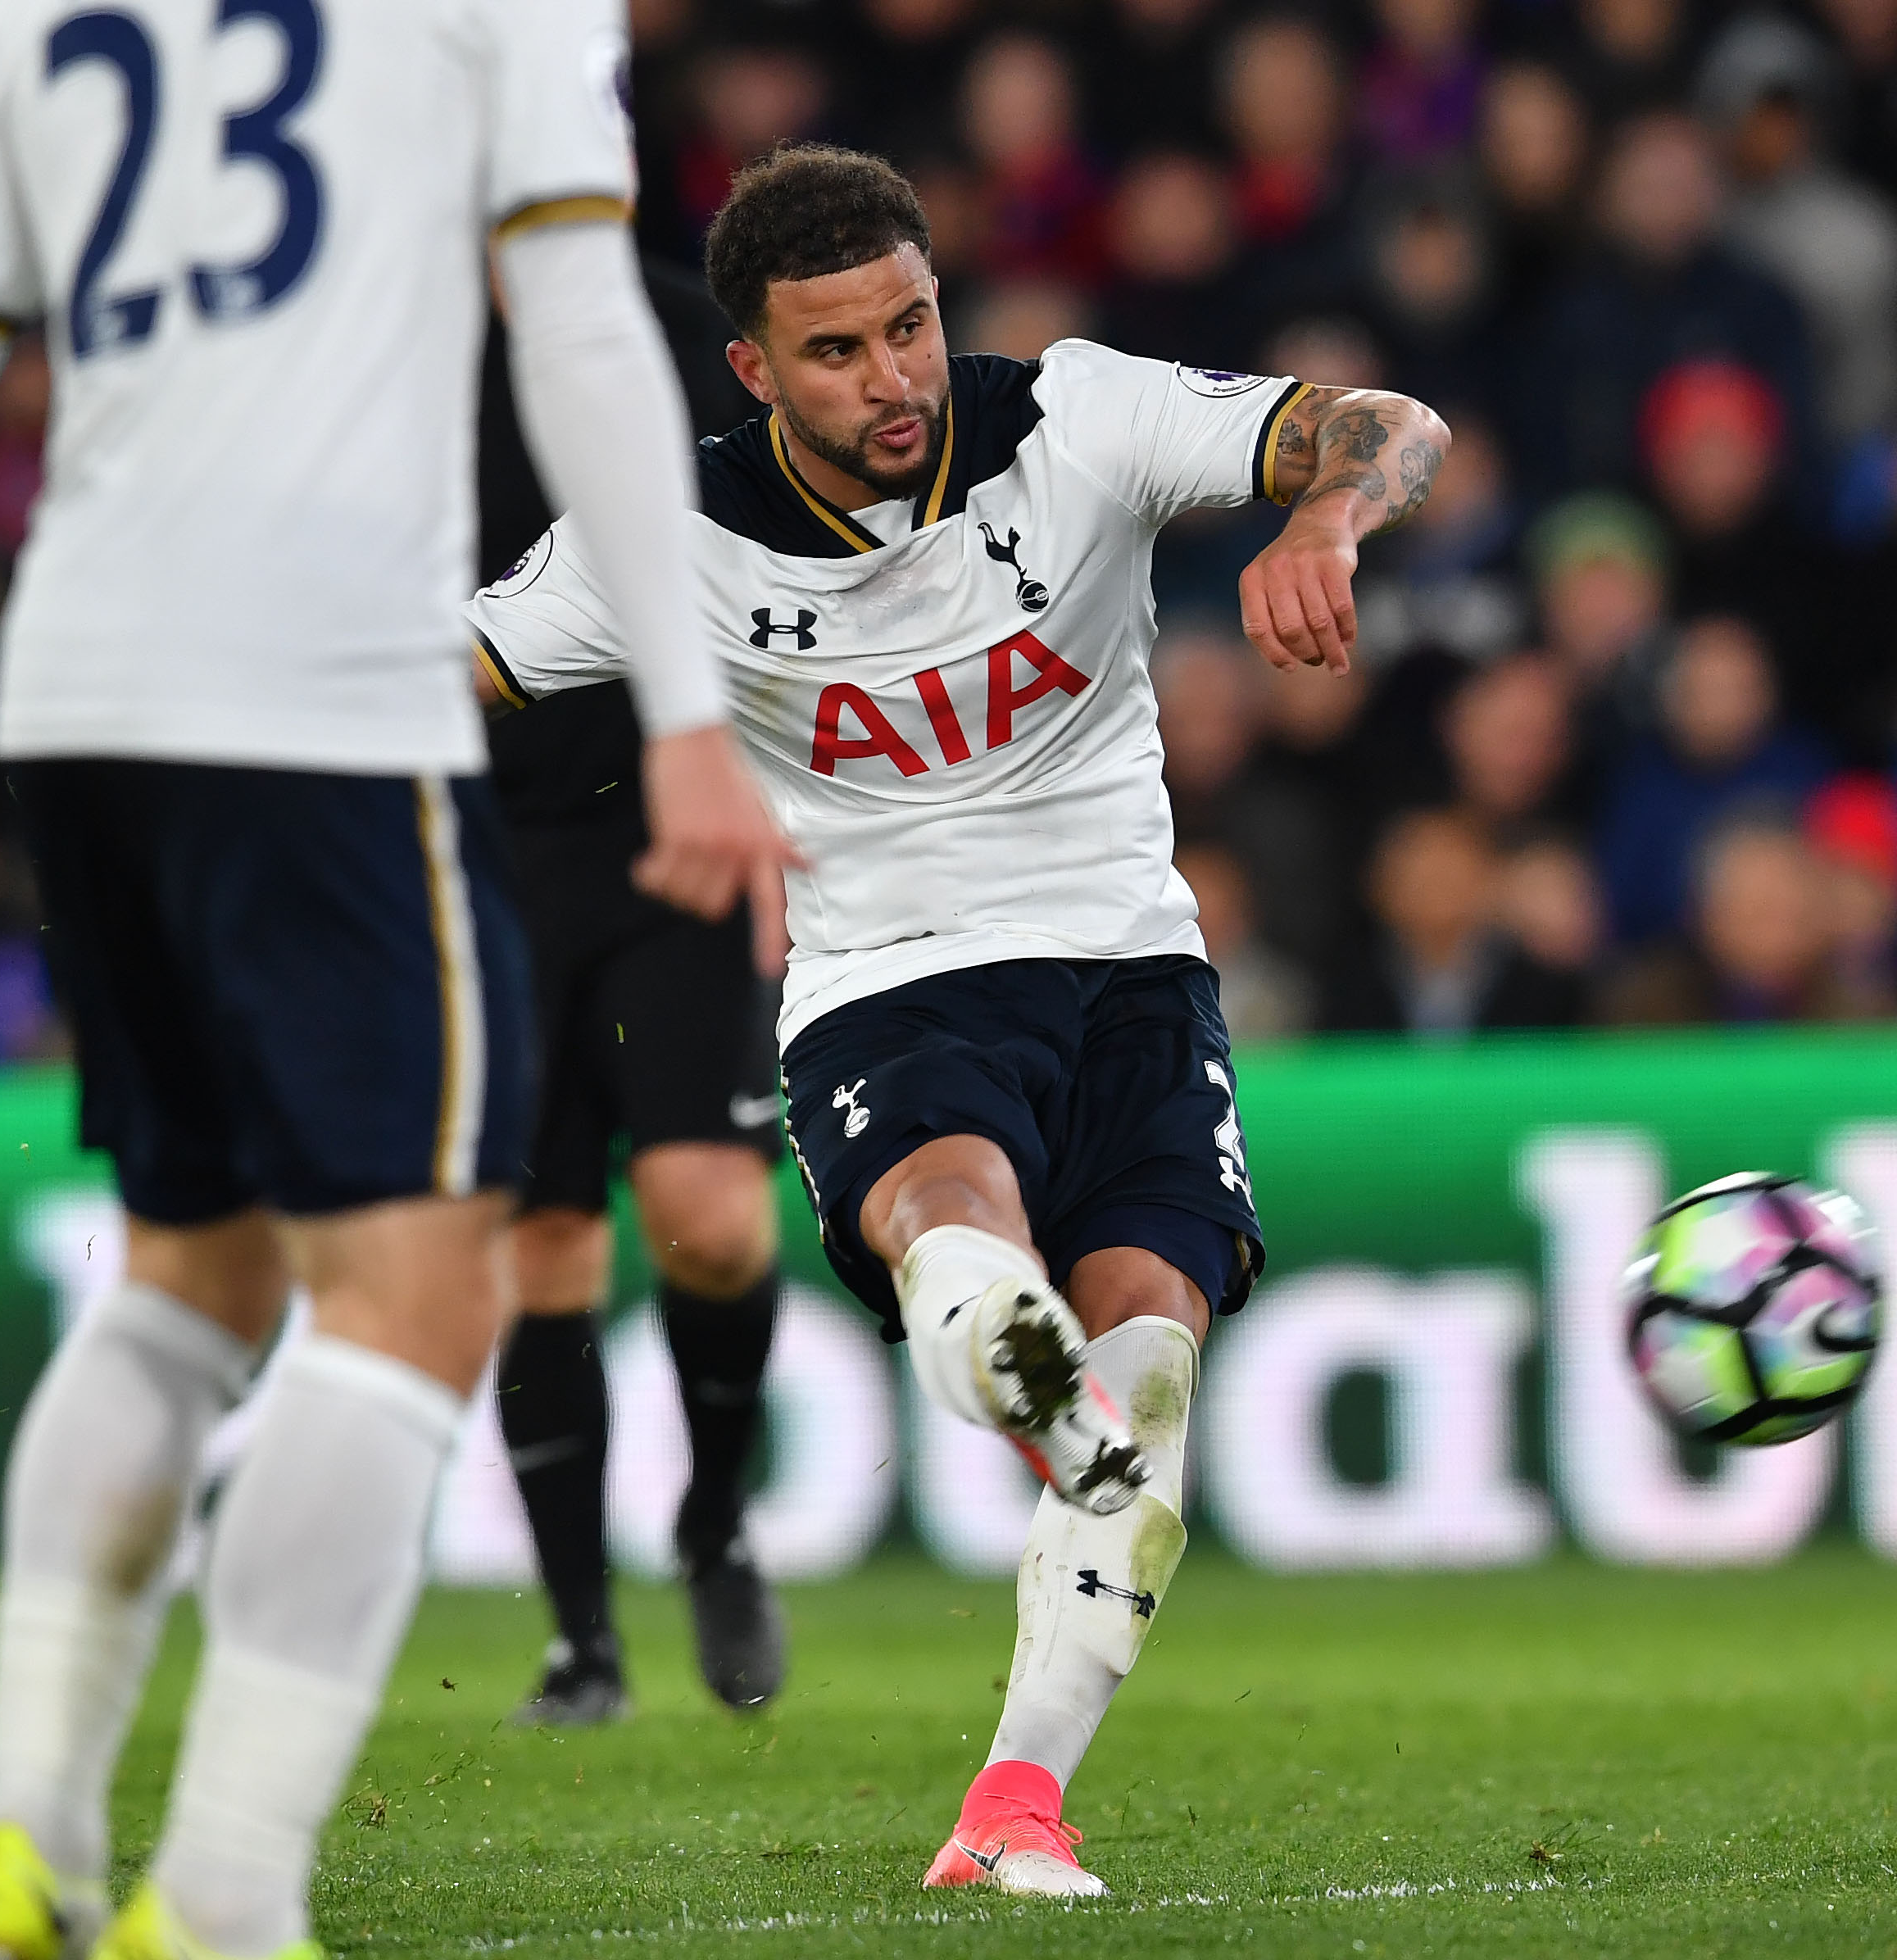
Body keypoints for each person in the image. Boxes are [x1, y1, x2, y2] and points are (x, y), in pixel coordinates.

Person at [0, 2, 796, 1958]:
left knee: (194, 1270)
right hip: (325, 697)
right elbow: (584, 323)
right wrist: (687, 708)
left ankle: (30, 1849)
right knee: (422, 1291)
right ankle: (232, 1892)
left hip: (78, 697)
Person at [471, 144, 1448, 1899]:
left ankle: (1013, 1800)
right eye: (836, 350)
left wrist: (1326, 514)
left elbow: (1392, 420)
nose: (894, 377)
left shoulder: (1080, 417)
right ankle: (1002, 1345)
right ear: (754, 369)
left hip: (1138, 966)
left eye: (909, 325)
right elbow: (439, 669)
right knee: (952, 1200)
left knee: (1151, 1339)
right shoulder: (659, 532)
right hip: (891, 974)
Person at [483, 602, 791, 1733]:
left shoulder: (676, 413)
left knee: (709, 1220)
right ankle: (584, 1641)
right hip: (482, 846)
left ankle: (713, 1520)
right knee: (541, 1245)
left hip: (673, 824)